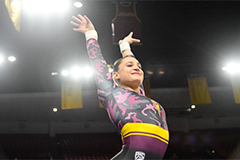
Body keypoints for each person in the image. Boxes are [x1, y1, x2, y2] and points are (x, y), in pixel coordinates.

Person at [71, 14, 169, 160]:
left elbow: (132, 63)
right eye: (130, 66)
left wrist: (125, 46)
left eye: (139, 67)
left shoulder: (141, 95)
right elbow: (97, 61)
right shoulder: (111, 92)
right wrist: (90, 34)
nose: (137, 68)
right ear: (115, 76)